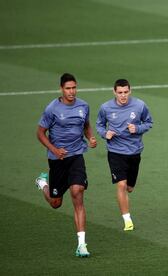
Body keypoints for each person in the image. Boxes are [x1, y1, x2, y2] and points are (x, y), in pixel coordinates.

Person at [35, 73, 97, 257]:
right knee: (56, 203)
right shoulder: (52, 109)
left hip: (77, 155)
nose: (72, 91)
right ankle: (43, 184)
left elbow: (86, 125)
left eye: (74, 88)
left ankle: (82, 245)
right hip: (57, 160)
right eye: (68, 88)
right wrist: (53, 149)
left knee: (77, 192)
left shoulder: (83, 106)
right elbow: (40, 133)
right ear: (61, 89)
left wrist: (90, 137)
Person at [96, 79, 153, 231]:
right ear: (114, 92)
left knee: (129, 187)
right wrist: (104, 133)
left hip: (134, 151)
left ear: (130, 91)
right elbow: (99, 125)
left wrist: (138, 128)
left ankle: (127, 196)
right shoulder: (106, 107)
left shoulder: (140, 105)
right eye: (120, 92)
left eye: (125, 92)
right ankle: (127, 220)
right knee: (121, 184)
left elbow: (149, 123)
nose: (123, 96)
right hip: (115, 152)